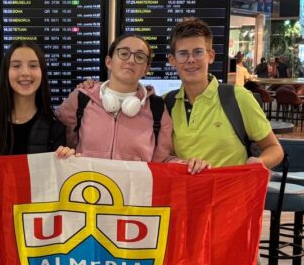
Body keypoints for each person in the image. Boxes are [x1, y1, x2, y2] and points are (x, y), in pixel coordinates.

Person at [165, 18, 284, 265]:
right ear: (172, 60)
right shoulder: (167, 105)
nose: (190, 60)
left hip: (231, 223)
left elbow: (274, 149)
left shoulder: (237, 98)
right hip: (185, 221)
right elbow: (162, 157)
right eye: (183, 54)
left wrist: (255, 165)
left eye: (197, 52)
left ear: (211, 55)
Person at [57, 33, 207, 172]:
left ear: (146, 69)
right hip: (87, 189)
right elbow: (56, 142)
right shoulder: (80, 99)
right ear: (109, 61)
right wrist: (63, 153)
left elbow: (162, 161)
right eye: (124, 53)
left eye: (140, 57)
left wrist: (189, 165)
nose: (131, 60)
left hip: (134, 192)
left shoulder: (157, 109)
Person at [0, 41, 72, 156]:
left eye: (33, 66)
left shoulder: (54, 130)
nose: (25, 73)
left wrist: (66, 159)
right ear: (6, 72)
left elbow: (54, 168)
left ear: (42, 72)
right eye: (16, 66)